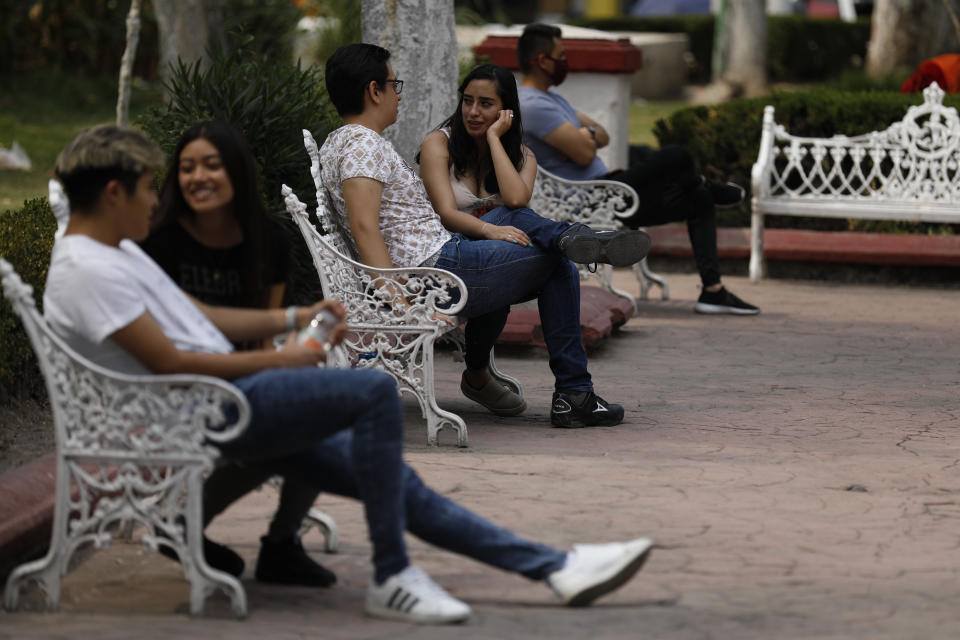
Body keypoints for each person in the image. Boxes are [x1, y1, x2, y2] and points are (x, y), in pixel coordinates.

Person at [43, 123, 656, 625]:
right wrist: (281, 358)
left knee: (393, 483)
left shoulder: (112, 253)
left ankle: (554, 567)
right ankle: (395, 575)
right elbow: (170, 361)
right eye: (150, 188)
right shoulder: (89, 270)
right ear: (116, 193)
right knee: (367, 392)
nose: (158, 200)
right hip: (198, 412)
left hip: (218, 404)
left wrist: (292, 316)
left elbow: (192, 316)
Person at [320, 44, 650, 429]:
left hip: (442, 259)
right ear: (374, 91)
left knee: (512, 214)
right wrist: (400, 301)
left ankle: (570, 238)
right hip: (437, 270)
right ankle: (574, 393)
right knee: (557, 266)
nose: (399, 93)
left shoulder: (348, 141)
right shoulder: (363, 145)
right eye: (395, 84)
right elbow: (364, 226)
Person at [140, 121, 335, 588]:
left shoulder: (269, 241)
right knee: (299, 418)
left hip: (241, 374)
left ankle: (279, 544)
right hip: (177, 383)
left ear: (236, 172)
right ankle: (192, 525)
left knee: (317, 405)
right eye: (186, 168)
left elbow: (262, 334)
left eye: (211, 165)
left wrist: (294, 351)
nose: (198, 177)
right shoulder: (161, 242)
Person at [517, 23, 760, 316]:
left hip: (608, 189)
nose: (565, 61)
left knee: (698, 198)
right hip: (592, 200)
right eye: (561, 54)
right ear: (541, 60)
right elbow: (583, 155)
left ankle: (713, 292)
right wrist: (587, 136)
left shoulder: (553, 99)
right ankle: (707, 183)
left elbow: (602, 133)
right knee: (676, 155)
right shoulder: (533, 105)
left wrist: (586, 135)